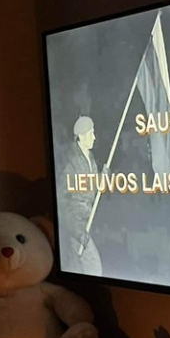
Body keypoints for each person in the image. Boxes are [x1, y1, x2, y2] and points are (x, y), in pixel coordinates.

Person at [59, 115, 103, 276]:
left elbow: (92, 189)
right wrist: (75, 229)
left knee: (80, 269)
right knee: (93, 267)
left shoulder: (90, 159)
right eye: (91, 133)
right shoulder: (70, 162)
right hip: (75, 226)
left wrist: (103, 178)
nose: (94, 137)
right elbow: (62, 199)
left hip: (87, 224)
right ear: (82, 136)